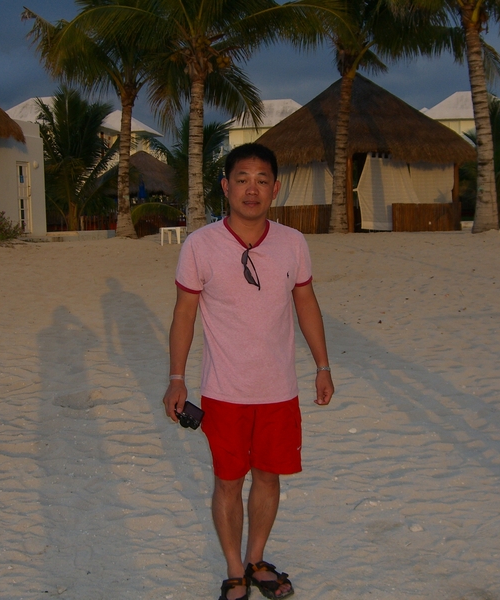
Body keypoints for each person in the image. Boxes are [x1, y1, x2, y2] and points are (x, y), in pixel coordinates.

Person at [162, 143, 334, 600]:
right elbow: (184, 313)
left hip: (279, 389)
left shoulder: (293, 243)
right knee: (228, 481)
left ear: (275, 189)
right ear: (225, 186)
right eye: (242, 179)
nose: (251, 189)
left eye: (261, 180)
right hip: (224, 391)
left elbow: (305, 302)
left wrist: (322, 365)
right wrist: (177, 379)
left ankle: (256, 559)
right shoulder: (200, 245)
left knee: (269, 477)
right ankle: (234, 570)